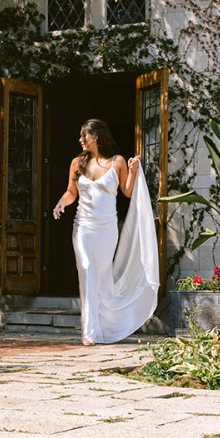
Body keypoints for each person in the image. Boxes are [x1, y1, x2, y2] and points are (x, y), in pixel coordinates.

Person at [50, 119, 160, 345]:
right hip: (83, 227)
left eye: (84, 135)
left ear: (96, 136)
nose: (80, 140)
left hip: (107, 231)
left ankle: (107, 325)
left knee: (101, 279)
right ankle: (90, 332)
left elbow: (127, 192)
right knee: (87, 270)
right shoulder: (77, 163)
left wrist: (132, 171)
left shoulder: (116, 161)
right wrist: (62, 203)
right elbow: (71, 192)